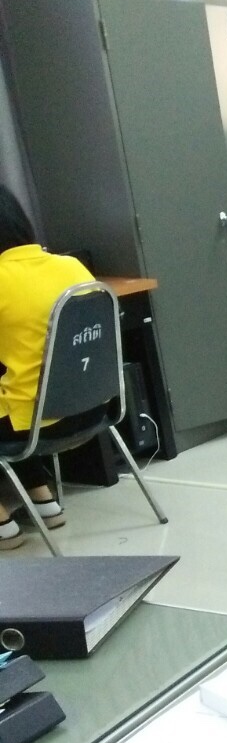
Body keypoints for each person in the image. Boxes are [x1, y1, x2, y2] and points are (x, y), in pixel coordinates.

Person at [0, 185, 94, 550]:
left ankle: (3, 525)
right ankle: (44, 500)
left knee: (15, 397)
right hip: (91, 408)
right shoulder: (72, 266)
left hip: (34, 424)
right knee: (18, 390)